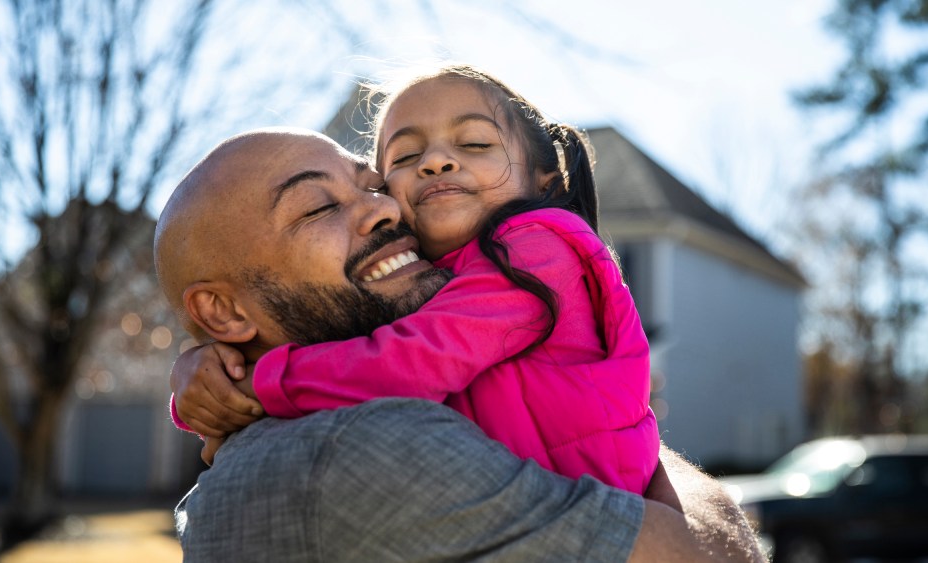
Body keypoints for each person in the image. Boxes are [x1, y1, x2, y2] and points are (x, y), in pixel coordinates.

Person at [155, 127, 763, 561]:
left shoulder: (281, 444)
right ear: (223, 312)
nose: (385, 208)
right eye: (318, 207)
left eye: (371, 184)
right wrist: (621, 415)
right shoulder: (364, 448)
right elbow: (719, 555)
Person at [174, 64, 658, 494]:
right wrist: (207, 368)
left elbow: (411, 359)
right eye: (404, 159)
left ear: (543, 182)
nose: (436, 161)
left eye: (474, 143)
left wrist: (260, 385)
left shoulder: (538, 249)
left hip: (594, 512)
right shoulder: (429, 279)